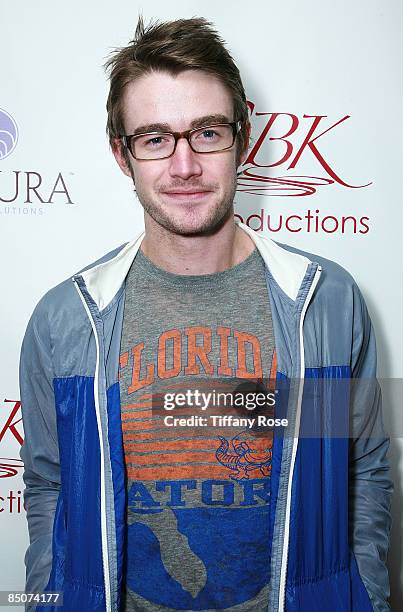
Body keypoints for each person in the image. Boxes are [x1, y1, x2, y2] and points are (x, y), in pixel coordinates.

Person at [19, 15, 393, 612]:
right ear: (123, 155)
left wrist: (365, 599)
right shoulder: (67, 319)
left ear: (243, 136)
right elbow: (49, 487)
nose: (185, 165)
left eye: (208, 133)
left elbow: (362, 473)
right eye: (155, 138)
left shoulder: (325, 302)